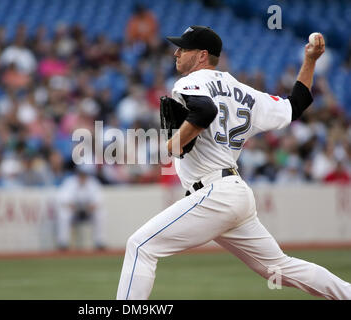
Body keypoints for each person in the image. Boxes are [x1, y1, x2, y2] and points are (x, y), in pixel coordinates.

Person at [117, 26, 351, 300]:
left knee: (140, 247)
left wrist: (173, 144)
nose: (176, 53)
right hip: (233, 193)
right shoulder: (244, 91)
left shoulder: (191, 81)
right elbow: (296, 104)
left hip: (215, 194)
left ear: (202, 55)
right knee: (280, 267)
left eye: (183, 48)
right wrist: (310, 60)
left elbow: (205, 110)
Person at [56, 164, 107, 250]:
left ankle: (100, 242)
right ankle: (63, 243)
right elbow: (63, 200)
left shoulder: (93, 183)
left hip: (88, 212)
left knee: (101, 213)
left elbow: (98, 201)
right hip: (74, 212)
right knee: (64, 214)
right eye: (81, 174)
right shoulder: (70, 182)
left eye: (84, 174)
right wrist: (74, 207)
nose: (82, 176)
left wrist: (89, 208)